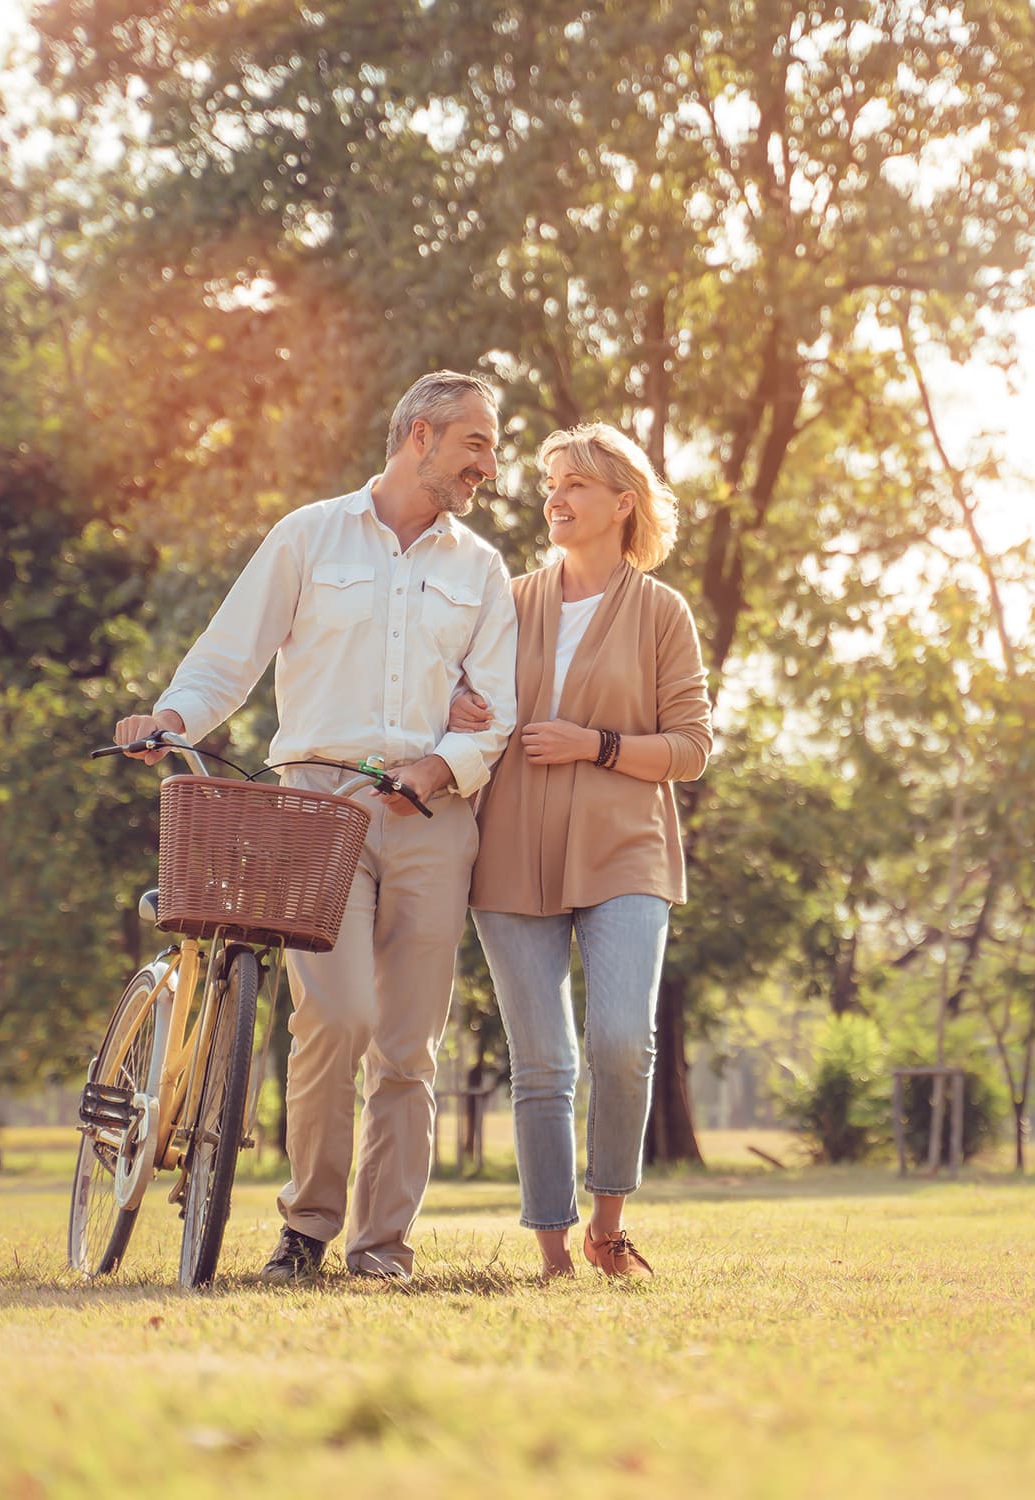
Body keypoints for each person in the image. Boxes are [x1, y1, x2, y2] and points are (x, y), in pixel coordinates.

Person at [113, 371, 517, 1284]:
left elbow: (496, 711)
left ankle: (381, 1246)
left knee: (408, 1045)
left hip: (432, 817)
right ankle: (306, 1229)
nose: (490, 464)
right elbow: (231, 653)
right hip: (315, 812)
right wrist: (173, 718)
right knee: (336, 1015)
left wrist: (439, 766)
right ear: (419, 435)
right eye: (477, 443)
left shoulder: (481, 569)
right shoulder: (309, 535)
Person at [452, 422, 712, 1279]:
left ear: (622, 504)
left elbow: (690, 748)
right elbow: (456, 694)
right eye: (551, 483)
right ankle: (554, 1253)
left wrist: (595, 745)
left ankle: (610, 1223)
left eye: (576, 485)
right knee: (544, 1061)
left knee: (620, 1042)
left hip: (625, 851)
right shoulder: (507, 597)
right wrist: (455, 710)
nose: (554, 498)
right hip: (511, 850)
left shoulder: (662, 612)